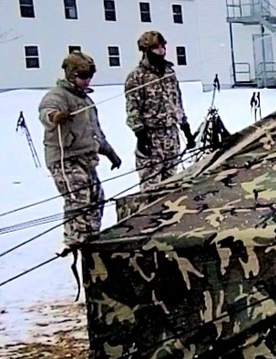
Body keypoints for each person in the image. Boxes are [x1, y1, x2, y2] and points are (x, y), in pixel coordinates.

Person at [38, 52, 122, 252]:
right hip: (65, 159)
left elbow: (94, 133)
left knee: (97, 198)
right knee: (78, 200)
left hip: (86, 158)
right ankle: (75, 243)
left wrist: (109, 152)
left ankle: (90, 239)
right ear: (70, 74)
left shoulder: (86, 101)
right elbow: (46, 111)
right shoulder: (58, 95)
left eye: (89, 76)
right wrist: (55, 116)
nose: (87, 80)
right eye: (83, 76)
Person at [125, 30, 196, 192]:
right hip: (151, 138)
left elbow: (176, 102)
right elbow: (132, 109)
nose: (162, 51)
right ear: (146, 50)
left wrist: (186, 128)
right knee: (152, 188)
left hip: (171, 136)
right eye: (157, 48)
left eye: (163, 47)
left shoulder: (169, 73)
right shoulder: (137, 77)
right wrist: (140, 135)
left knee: (172, 185)